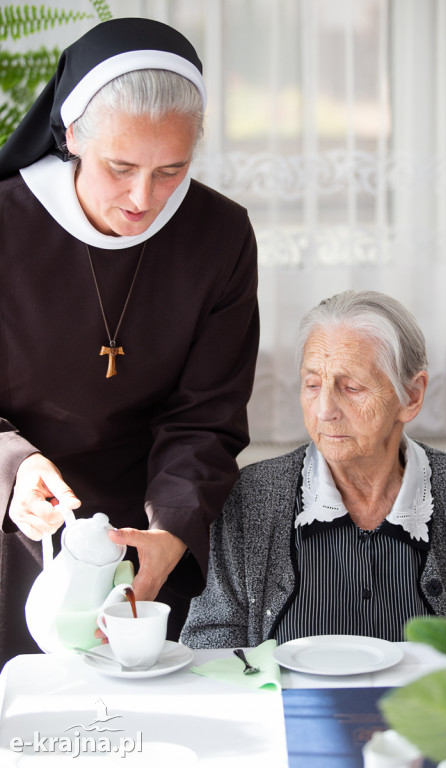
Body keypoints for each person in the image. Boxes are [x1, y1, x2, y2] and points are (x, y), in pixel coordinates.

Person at [0, 17, 259, 667]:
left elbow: (207, 414)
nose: (143, 198)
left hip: (147, 530)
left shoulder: (220, 237)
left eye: (171, 170)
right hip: (13, 518)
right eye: (121, 167)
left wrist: (172, 528)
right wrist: (12, 471)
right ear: (71, 135)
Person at [181, 290, 446, 648]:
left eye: (351, 387)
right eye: (312, 384)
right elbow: (208, 641)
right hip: (288, 705)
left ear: (412, 396)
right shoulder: (251, 494)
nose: (324, 409)